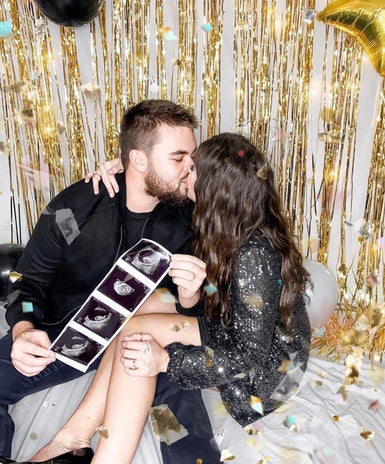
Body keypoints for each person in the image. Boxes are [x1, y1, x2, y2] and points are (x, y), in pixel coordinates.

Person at [31, 132, 311, 463]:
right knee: (133, 314)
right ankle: (73, 438)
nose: (183, 173)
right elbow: (220, 293)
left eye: (191, 168)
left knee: (139, 338)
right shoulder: (226, 218)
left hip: (261, 374)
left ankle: (97, 453)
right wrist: (127, 168)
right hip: (227, 320)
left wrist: (166, 361)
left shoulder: (254, 253)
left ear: (214, 187)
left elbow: (249, 356)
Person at [0, 100, 220, 463]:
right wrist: (24, 329)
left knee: (182, 412)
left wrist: (191, 295)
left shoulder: (190, 217)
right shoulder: (76, 208)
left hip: (141, 339)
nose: (190, 169)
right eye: (178, 159)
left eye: (192, 158)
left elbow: (204, 303)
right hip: (64, 338)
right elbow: (27, 281)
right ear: (138, 160)